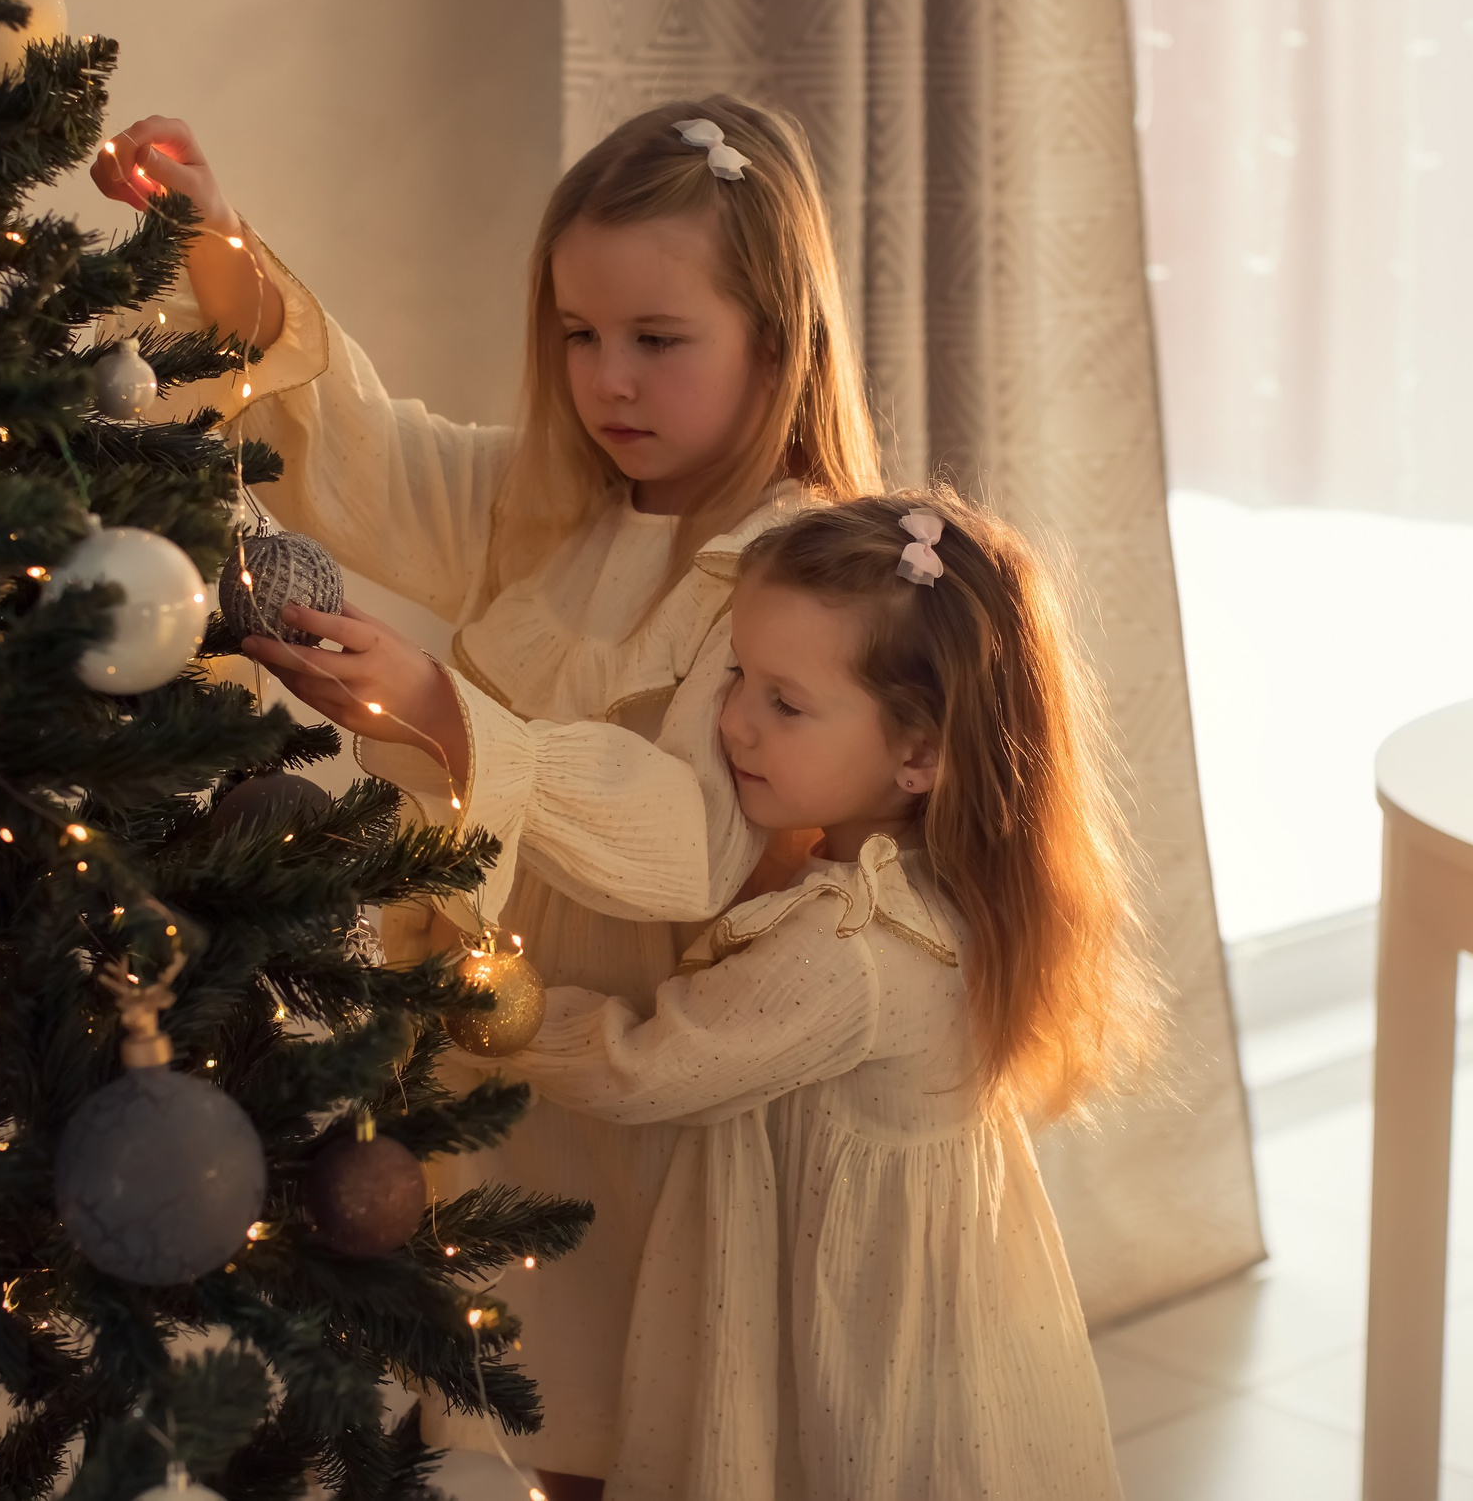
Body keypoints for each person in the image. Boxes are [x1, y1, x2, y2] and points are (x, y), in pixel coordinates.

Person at [91, 97, 881, 1495]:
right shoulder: (559, 504)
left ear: (778, 336)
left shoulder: (784, 567)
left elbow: (691, 834)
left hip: (626, 1086)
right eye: (578, 335)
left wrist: (457, 721)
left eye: (657, 339)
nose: (608, 380)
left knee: (609, 1408)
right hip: (472, 1057)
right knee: (486, 1396)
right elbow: (373, 461)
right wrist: (215, 250)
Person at [475, 489, 1164, 1501]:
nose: (733, 722)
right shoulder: (943, 891)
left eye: (783, 704)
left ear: (920, 752)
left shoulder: (849, 950)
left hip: (853, 1341)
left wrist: (485, 999)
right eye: (738, 676)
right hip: (941, 1329)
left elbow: (643, 1066)